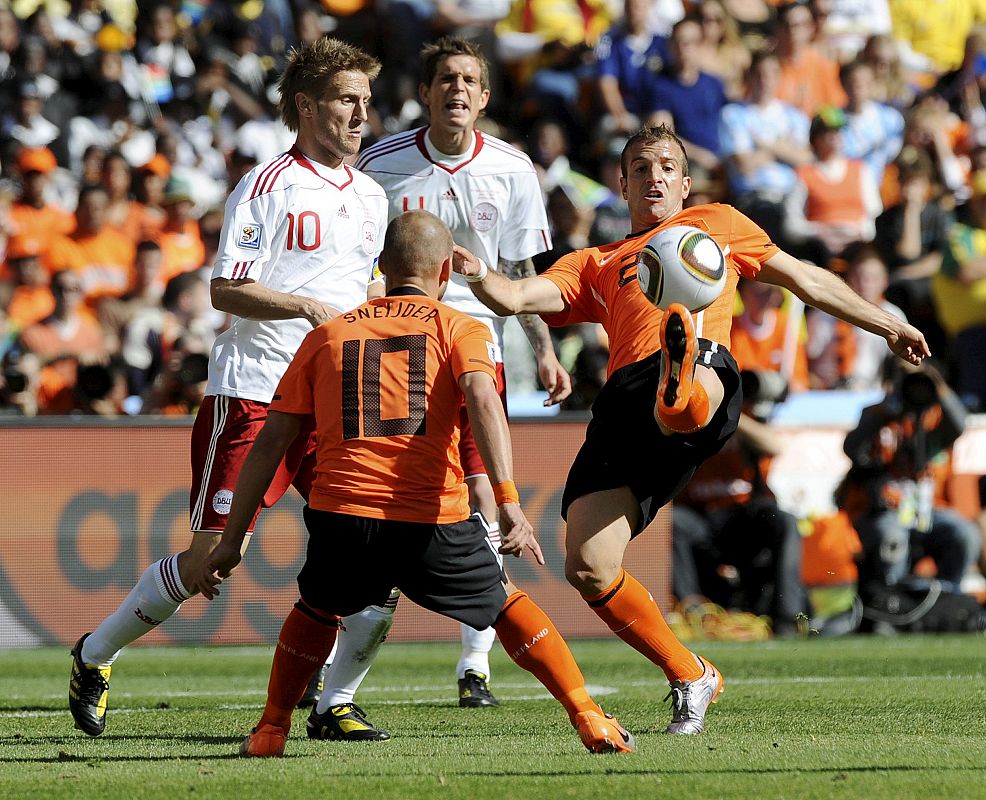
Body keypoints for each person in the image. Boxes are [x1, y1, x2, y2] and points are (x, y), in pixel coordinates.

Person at [450, 123, 929, 734]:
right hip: (625, 404)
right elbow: (516, 297)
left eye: (666, 167)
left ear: (684, 183)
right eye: (640, 168)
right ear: (622, 185)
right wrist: (475, 271)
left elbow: (805, 278)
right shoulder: (595, 263)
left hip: (707, 371)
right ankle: (691, 673)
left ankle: (679, 381)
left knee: (686, 379)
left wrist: (886, 324)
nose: (654, 177)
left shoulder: (717, 224)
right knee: (588, 565)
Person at [190, 210, 634, 758]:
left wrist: (233, 538)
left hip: (343, 513)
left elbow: (271, 442)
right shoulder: (460, 328)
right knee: (504, 604)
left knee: (317, 607)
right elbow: (483, 400)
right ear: (445, 271)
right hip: (430, 517)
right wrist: (508, 500)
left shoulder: (328, 335)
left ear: (381, 265)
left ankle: (271, 730)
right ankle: (587, 715)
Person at [67, 36, 389, 738]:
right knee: (211, 558)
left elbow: (364, 290)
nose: (361, 113)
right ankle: (95, 653)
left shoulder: (371, 196)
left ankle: (333, 703)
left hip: (335, 401)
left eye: (366, 100)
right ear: (307, 106)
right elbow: (225, 288)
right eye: (346, 99)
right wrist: (305, 307)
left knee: (372, 555)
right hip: (256, 389)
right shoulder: (266, 185)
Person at [306, 36, 571, 733]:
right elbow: (358, 253)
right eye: (445, 79)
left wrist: (544, 349)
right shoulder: (382, 163)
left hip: (476, 347)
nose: (457, 89)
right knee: (380, 494)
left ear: (484, 96)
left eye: (468, 80)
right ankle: (328, 670)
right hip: (395, 349)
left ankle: (474, 665)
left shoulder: (512, 169)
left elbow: (520, 269)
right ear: (425, 93)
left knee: (480, 492)